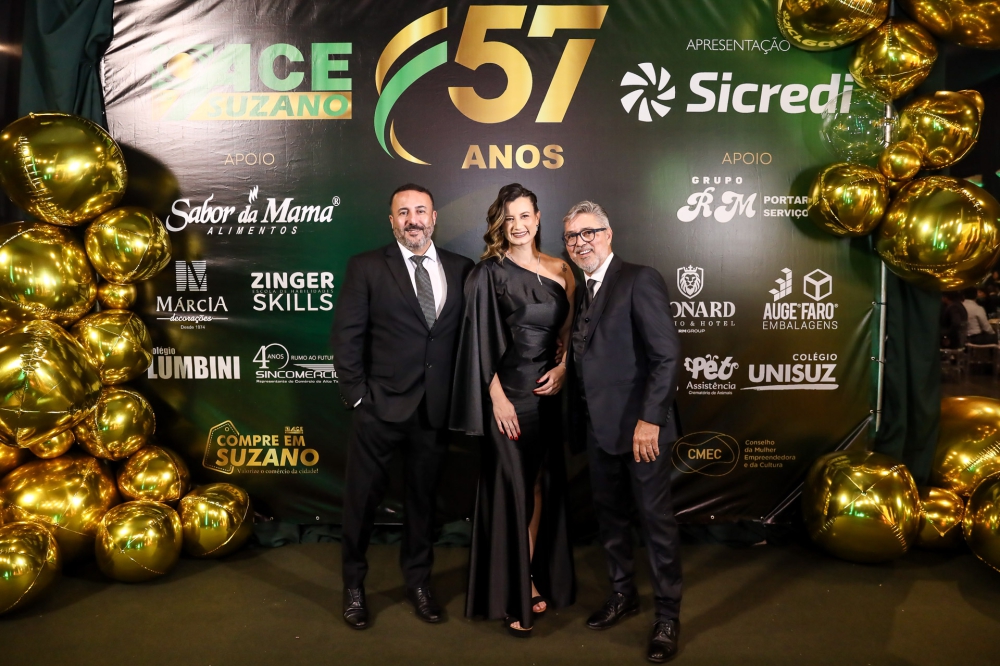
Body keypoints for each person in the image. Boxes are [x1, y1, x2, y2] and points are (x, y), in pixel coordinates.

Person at [331, 183, 474, 630]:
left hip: (434, 413)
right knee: (361, 503)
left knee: (422, 504)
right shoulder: (367, 267)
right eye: (404, 212)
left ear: (434, 218)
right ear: (391, 220)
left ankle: (419, 583)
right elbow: (347, 336)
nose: (413, 219)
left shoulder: (462, 268)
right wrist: (358, 396)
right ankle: (354, 587)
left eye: (421, 211)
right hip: (379, 409)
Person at [450, 183, 577, 637]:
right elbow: (476, 342)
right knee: (512, 492)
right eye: (509, 218)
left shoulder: (562, 269)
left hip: (548, 399)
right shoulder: (488, 273)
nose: (518, 225)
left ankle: (528, 573)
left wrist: (563, 368)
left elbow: (572, 332)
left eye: (525, 216)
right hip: (506, 398)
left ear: (538, 218)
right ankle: (515, 589)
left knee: (537, 487)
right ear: (500, 224)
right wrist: (497, 398)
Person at [563, 201, 682, 663]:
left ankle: (667, 615)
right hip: (599, 430)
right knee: (610, 519)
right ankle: (622, 594)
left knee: (656, 523)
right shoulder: (582, 291)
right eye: (572, 237)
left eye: (589, 232)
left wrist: (650, 420)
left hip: (642, 433)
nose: (581, 243)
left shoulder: (639, 279)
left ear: (608, 234)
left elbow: (666, 355)